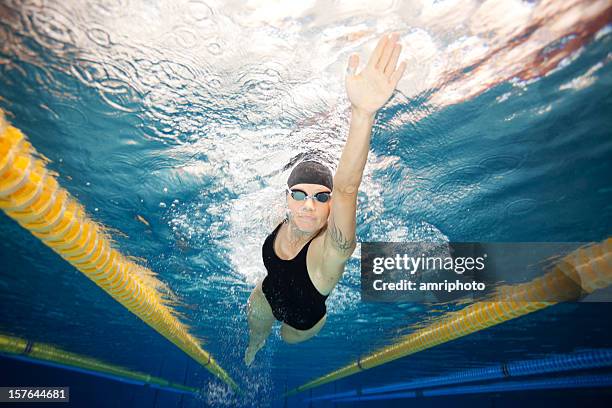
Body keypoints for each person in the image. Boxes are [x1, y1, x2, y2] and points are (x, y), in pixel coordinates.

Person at [244, 33, 407, 366]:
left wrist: (362, 114)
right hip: (267, 295)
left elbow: (347, 187)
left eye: (321, 198)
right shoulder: (284, 217)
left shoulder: (333, 249)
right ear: (287, 198)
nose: (308, 205)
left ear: (331, 205)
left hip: (303, 322)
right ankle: (255, 344)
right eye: (300, 195)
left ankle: (284, 333)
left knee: (287, 338)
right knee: (257, 317)